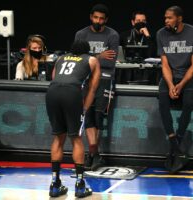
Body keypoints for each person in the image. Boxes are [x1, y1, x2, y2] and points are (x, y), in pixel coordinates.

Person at [46, 39, 100, 198]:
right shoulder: (91, 59)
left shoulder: (60, 58)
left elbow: (55, 78)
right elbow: (93, 88)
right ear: (87, 51)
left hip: (52, 93)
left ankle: (55, 184)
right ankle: (80, 186)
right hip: (72, 93)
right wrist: (84, 108)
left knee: (58, 137)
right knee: (76, 138)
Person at [156, 6, 193, 174]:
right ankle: (175, 146)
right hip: (170, 76)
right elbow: (165, 64)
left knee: (188, 102)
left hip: (189, 76)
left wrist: (181, 85)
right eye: (165, 18)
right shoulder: (161, 34)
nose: (166, 21)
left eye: (169, 18)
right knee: (162, 102)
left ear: (179, 18)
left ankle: (177, 144)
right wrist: (170, 85)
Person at [74, 4, 119, 171]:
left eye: (101, 18)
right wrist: (99, 56)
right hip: (85, 79)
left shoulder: (112, 35)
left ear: (106, 20)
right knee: (88, 116)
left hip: (105, 78)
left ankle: (94, 154)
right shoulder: (81, 34)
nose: (98, 21)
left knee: (99, 117)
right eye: (95, 18)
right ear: (91, 17)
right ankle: (93, 154)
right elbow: (77, 59)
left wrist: (90, 58)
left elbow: (110, 62)